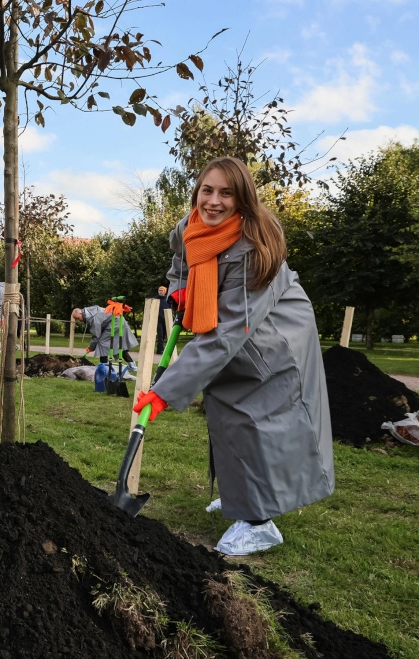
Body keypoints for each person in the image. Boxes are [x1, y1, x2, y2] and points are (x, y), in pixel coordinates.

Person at [132, 156, 334, 556]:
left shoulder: (255, 247)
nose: (214, 201)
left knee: (255, 418)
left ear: (242, 198)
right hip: (233, 327)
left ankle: (259, 522)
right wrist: (180, 287)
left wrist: (165, 391)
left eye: (227, 193)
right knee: (225, 409)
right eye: (207, 190)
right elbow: (180, 262)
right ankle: (242, 497)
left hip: (275, 335)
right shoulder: (189, 228)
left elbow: (226, 333)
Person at [71, 303, 138, 371]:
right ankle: (132, 365)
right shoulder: (89, 312)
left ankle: (103, 366)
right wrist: (91, 347)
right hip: (116, 320)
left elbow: (96, 336)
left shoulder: (93, 318)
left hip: (116, 322)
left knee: (101, 342)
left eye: (77, 318)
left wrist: (91, 347)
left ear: (80, 313)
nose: (78, 321)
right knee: (117, 345)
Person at [154, 285, 170, 350]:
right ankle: (161, 349)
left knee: (164, 335)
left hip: (166, 319)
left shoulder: (167, 299)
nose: (160, 292)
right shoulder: (155, 299)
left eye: (161, 290)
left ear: (165, 291)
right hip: (158, 319)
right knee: (160, 335)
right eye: (159, 290)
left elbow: (170, 308)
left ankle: (159, 349)